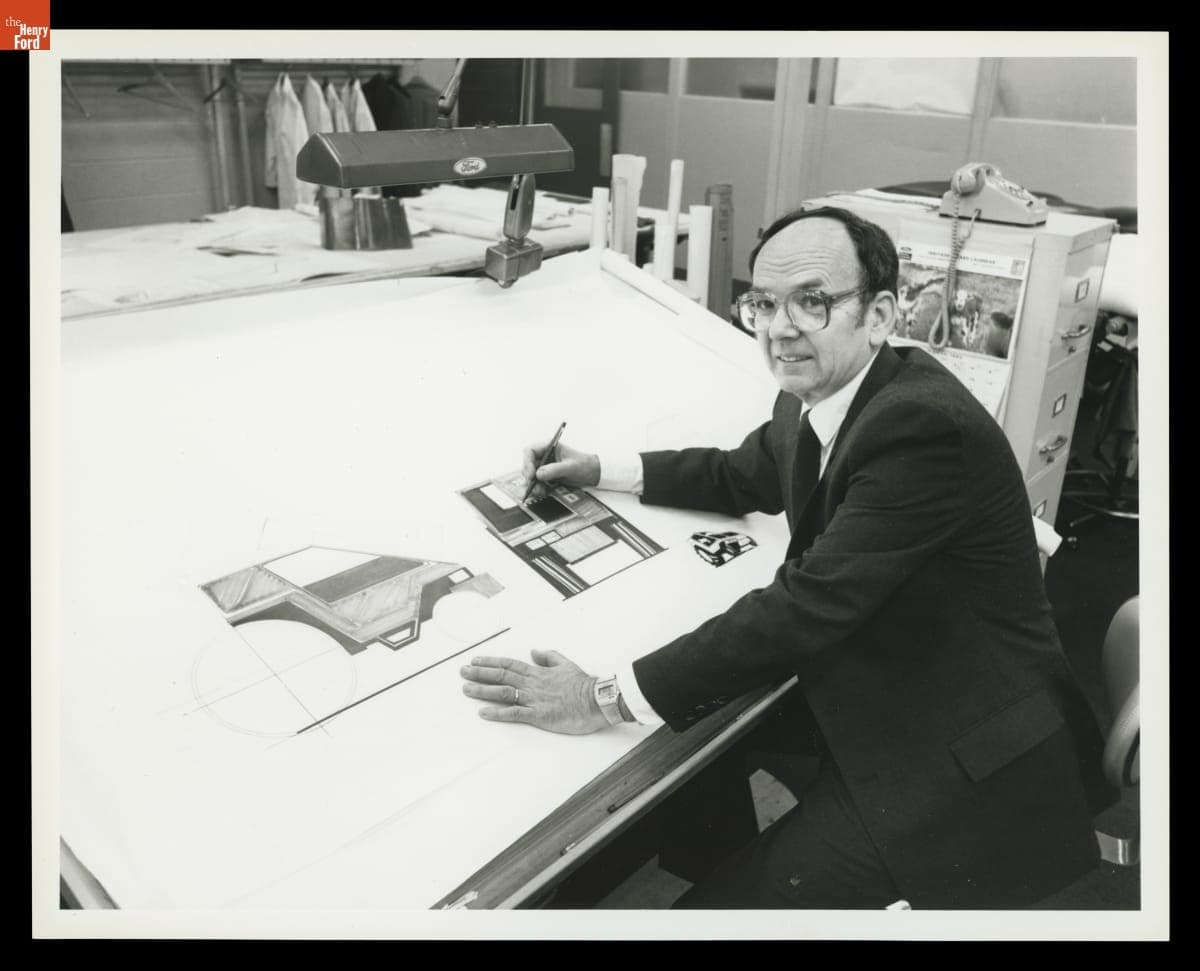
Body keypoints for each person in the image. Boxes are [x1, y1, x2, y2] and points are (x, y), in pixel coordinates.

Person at [460, 206, 1114, 909]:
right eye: (764, 304)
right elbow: (745, 472)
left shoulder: (921, 428)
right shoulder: (828, 389)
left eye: (813, 301)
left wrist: (601, 695)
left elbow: (803, 608)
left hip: (957, 757)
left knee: (705, 914)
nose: (781, 327)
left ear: (881, 314)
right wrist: (600, 468)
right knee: (708, 775)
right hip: (881, 693)